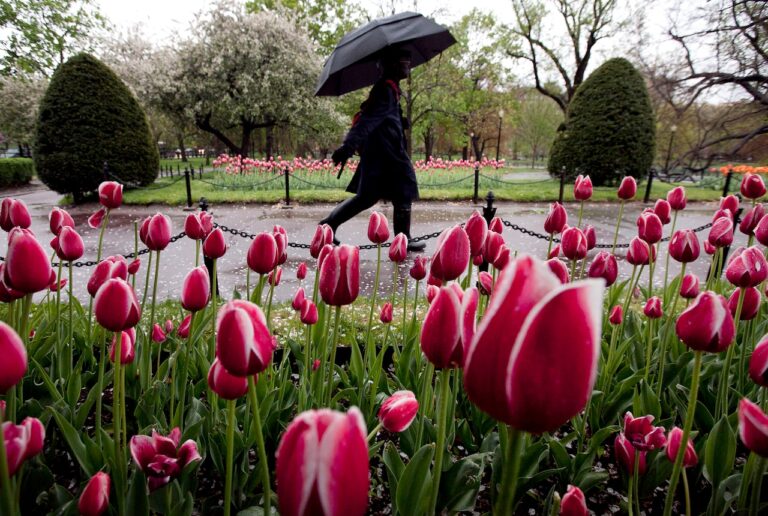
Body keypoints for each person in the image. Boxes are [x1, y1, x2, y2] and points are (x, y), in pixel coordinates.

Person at [321, 47, 426, 252]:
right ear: (392, 65)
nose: (408, 64)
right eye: (404, 60)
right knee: (398, 190)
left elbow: (381, 120)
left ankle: (327, 227)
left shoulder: (390, 89)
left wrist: (398, 120)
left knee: (371, 196)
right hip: (386, 157)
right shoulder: (385, 90)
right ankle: (403, 239)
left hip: (383, 156)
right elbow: (367, 122)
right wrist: (347, 148)